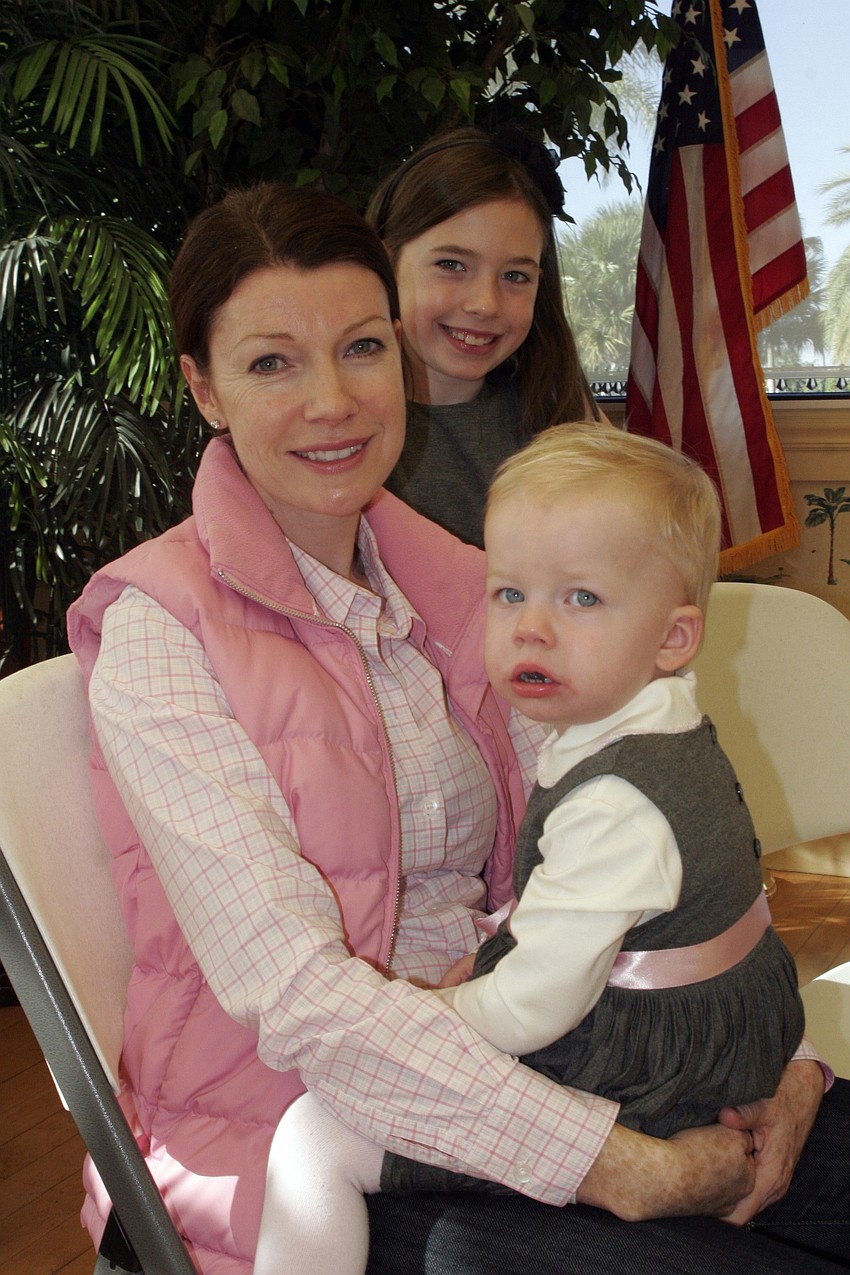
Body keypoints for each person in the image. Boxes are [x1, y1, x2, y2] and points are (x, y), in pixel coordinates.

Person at [64, 182, 849, 1275]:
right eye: (271, 362)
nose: (332, 400)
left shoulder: (471, 587)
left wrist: (787, 1065)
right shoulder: (160, 632)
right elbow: (297, 1000)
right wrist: (619, 1167)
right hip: (313, 1126)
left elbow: (653, 835)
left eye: (361, 347)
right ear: (204, 388)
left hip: (560, 1042)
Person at [254, 422, 806, 1275]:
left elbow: (532, 1009)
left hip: (649, 1069)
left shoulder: (615, 799)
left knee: (312, 1137)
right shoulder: (651, 728)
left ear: (673, 637)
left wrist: (426, 1016)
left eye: (580, 598)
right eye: (510, 593)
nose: (532, 629)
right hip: (723, 1034)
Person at [365, 125, 602, 549]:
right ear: (386, 261)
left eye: (515, 276)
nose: (485, 304)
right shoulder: (341, 426)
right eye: (452, 265)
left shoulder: (560, 411)